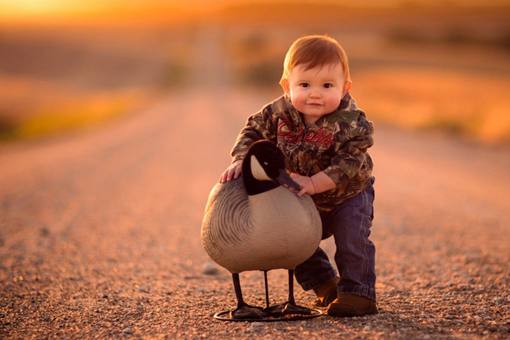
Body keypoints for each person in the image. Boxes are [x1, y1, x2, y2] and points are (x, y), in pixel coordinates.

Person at [219, 34, 377, 317]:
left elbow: (351, 162)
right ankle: (325, 284)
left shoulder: (353, 121)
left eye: (327, 85)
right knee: (294, 240)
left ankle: (358, 292)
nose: (315, 93)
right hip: (300, 194)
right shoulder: (277, 113)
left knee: (352, 241)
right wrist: (242, 158)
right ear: (286, 85)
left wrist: (316, 183)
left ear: (345, 88)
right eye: (304, 85)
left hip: (347, 195)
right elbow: (252, 132)